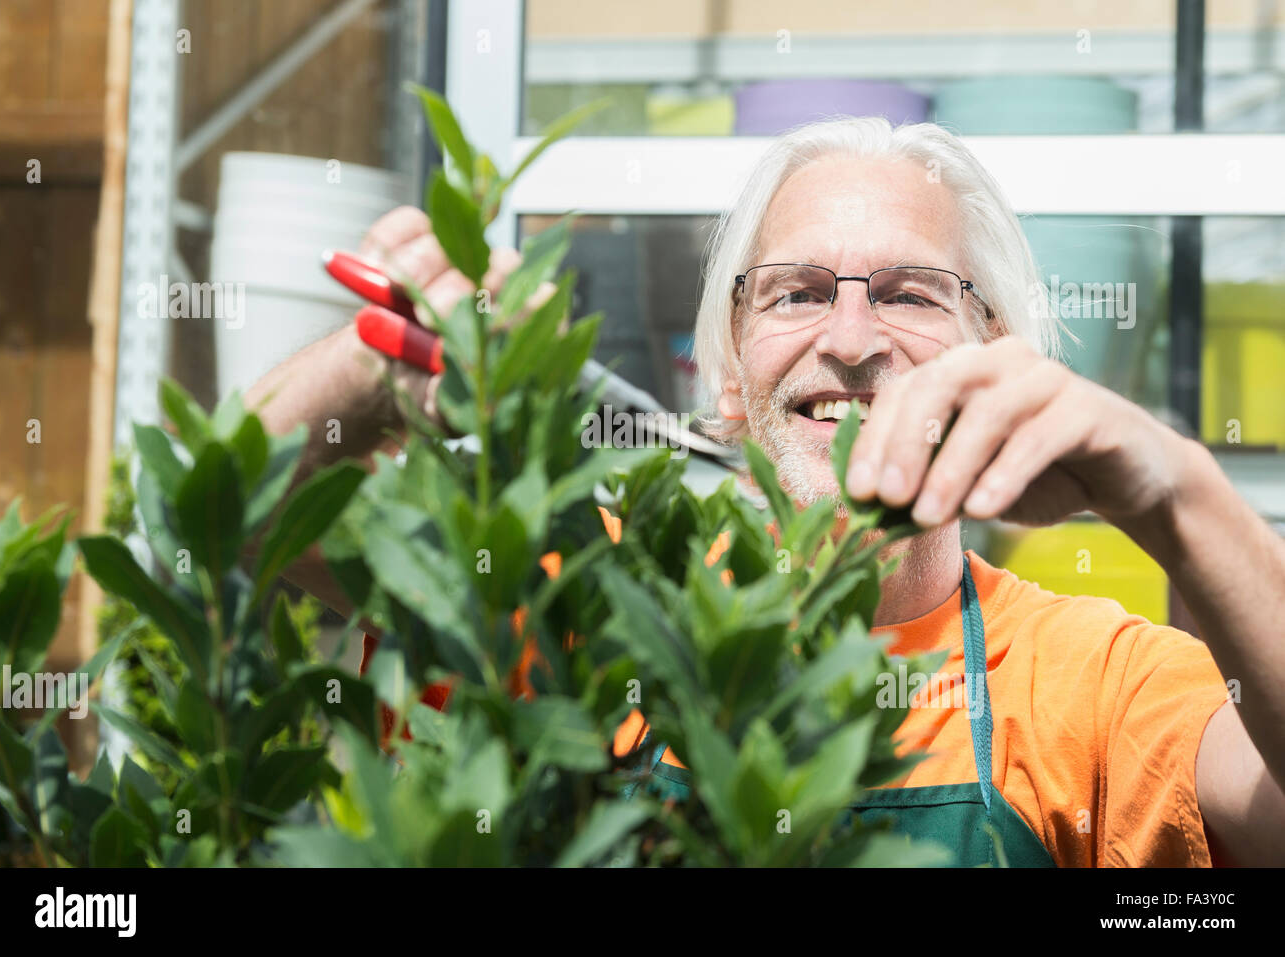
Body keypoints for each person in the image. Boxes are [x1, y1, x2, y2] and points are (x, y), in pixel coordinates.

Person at [245, 116, 1285, 868]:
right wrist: (380, 364)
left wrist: (1173, 492)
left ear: (997, 356)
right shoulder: (576, 607)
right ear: (729, 386)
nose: (846, 340)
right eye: (794, 292)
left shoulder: (1091, 684)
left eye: (907, 292)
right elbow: (235, 513)